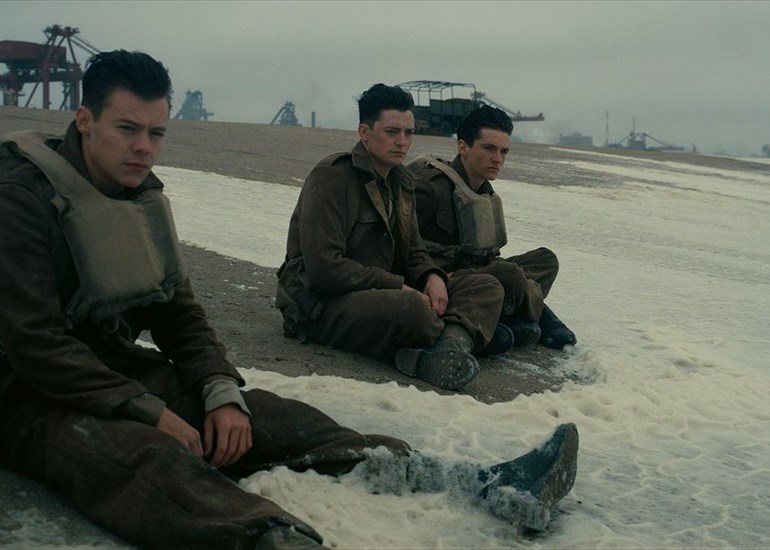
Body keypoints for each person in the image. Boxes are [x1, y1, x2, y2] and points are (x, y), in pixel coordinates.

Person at [0, 53, 578, 548]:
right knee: (140, 455)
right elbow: (35, 344)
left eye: (156, 133)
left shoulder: (138, 195)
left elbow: (177, 311)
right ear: (84, 119)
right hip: (21, 389)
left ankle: (471, 484)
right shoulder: (20, 199)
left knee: (272, 418)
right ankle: (270, 539)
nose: (144, 148)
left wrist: (218, 389)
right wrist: (147, 410)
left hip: (107, 364)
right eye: (128, 129)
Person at [277, 84, 514, 392]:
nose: (402, 141)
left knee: (485, 286)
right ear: (364, 132)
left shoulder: (401, 180)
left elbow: (414, 250)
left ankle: (449, 348)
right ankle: (451, 339)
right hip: (322, 304)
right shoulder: (332, 176)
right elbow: (325, 267)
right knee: (412, 309)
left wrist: (431, 277)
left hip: (384, 292)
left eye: (409, 132)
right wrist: (397, 286)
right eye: (392, 132)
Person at [412, 105, 577, 350]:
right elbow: (400, 245)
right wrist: (431, 274)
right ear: (463, 147)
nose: (498, 159)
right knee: (508, 275)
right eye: (489, 148)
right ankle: (535, 314)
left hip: (480, 275)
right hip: (442, 283)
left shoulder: (484, 193)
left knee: (545, 260)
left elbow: (487, 254)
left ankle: (504, 316)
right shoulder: (430, 187)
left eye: (503, 151)